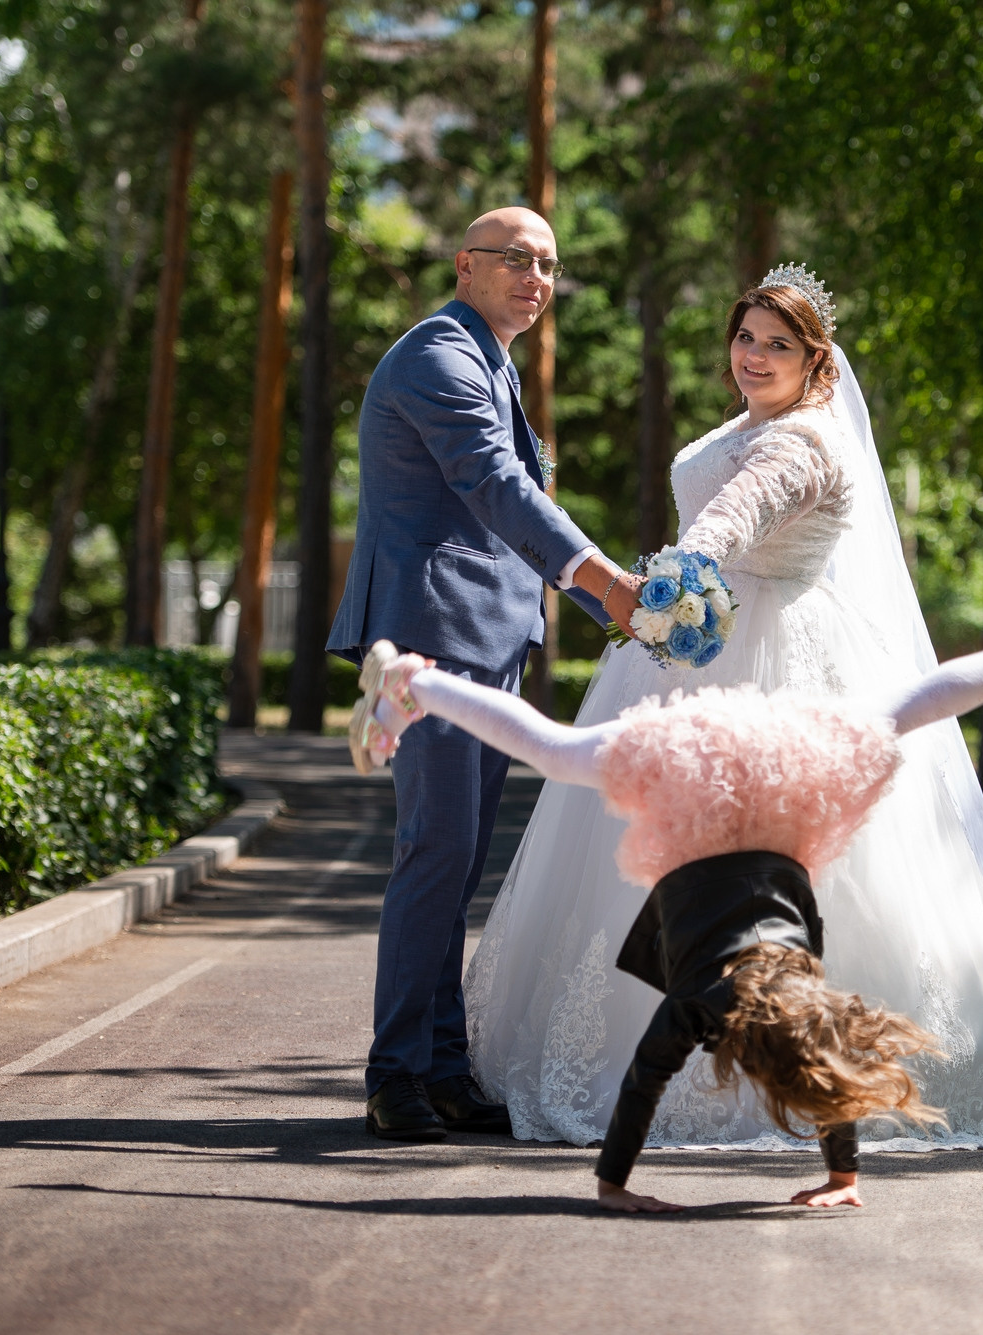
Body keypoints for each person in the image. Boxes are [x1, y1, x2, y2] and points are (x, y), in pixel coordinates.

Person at [461, 263, 983, 1158]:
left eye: (777, 345)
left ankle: (788, 1069)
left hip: (775, 659)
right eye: (745, 338)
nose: (753, 356)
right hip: (713, 646)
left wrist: (680, 575)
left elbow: (738, 512)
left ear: (815, 361)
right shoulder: (757, 421)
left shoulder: (802, 443)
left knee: (775, 857)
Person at [345, 596, 983, 1210]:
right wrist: (614, 1186)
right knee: (560, 752)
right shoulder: (701, 1004)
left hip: (779, 771)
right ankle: (414, 685)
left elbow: (827, 1055)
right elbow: (645, 1084)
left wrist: (845, 1176)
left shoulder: (808, 988)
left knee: (902, 710)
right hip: (707, 790)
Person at [325, 207, 644, 1143]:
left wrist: (588, 600)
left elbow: (513, 495)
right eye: (516, 259)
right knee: (434, 853)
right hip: (430, 645)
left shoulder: (491, 361)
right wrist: (605, 584)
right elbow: (495, 484)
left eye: (548, 265)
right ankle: (394, 1075)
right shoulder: (439, 355)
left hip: (488, 642)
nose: (536, 278)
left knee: (458, 860)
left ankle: (442, 1067)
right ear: (466, 266)